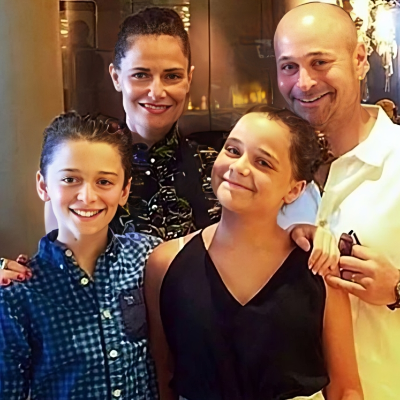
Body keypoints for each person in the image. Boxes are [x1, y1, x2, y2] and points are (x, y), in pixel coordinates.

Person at [0, 6, 319, 282]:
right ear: (116, 76)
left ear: (189, 78)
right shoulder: (82, 174)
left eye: (172, 76)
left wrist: (302, 235)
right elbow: (60, 272)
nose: (157, 91)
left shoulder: (221, 167)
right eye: (141, 75)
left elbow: (261, 244)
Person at [145, 106, 363, 400]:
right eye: (233, 150)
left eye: (263, 162)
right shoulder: (165, 263)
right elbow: (164, 373)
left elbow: (345, 389)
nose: (239, 167)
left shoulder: (318, 268)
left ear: (294, 189)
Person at [274, 3, 400, 399]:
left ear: (359, 59)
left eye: (320, 62)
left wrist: (398, 288)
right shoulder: (269, 173)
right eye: (289, 66)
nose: (304, 83)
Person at [0, 112, 161, 399]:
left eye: (104, 182)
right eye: (70, 179)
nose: (87, 197)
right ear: (43, 185)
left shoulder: (148, 257)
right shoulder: (18, 293)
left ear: (125, 190)